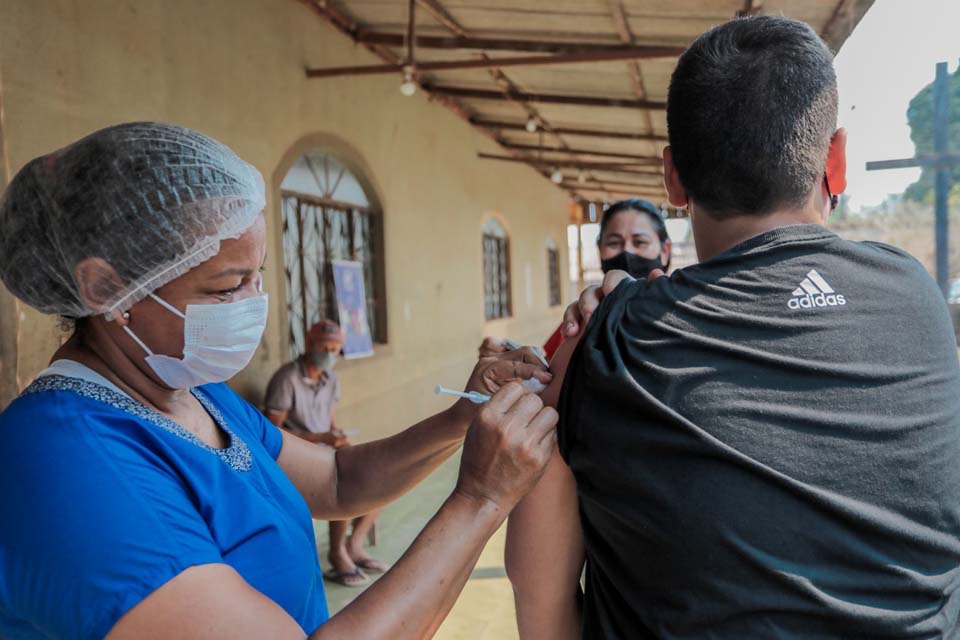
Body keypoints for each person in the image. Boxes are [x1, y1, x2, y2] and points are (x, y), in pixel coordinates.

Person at [0, 122, 559, 640]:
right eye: (225, 288)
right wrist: (482, 497)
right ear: (104, 290)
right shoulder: (69, 464)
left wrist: (462, 417)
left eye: (258, 275)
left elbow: (337, 481)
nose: (254, 304)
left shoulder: (190, 394)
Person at [506, 16, 960, 639]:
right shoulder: (917, 297)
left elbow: (541, 594)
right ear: (837, 160)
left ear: (672, 178)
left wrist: (612, 317)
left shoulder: (615, 338)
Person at [264, 319, 385, 587]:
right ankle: (336, 554)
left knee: (377, 475)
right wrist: (321, 438)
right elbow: (271, 433)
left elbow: (328, 419)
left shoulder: (331, 379)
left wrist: (336, 435)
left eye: (335, 349)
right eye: (324, 348)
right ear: (308, 345)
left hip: (326, 447)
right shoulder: (287, 379)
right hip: (293, 455)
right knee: (343, 485)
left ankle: (353, 546)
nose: (330, 354)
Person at [479, 199, 671, 363]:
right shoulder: (584, 317)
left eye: (640, 242)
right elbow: (547, 374)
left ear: (665, 251)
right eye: (614, 243)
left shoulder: (684, 312)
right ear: (599, 251)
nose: (627, 252)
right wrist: (510, 361)